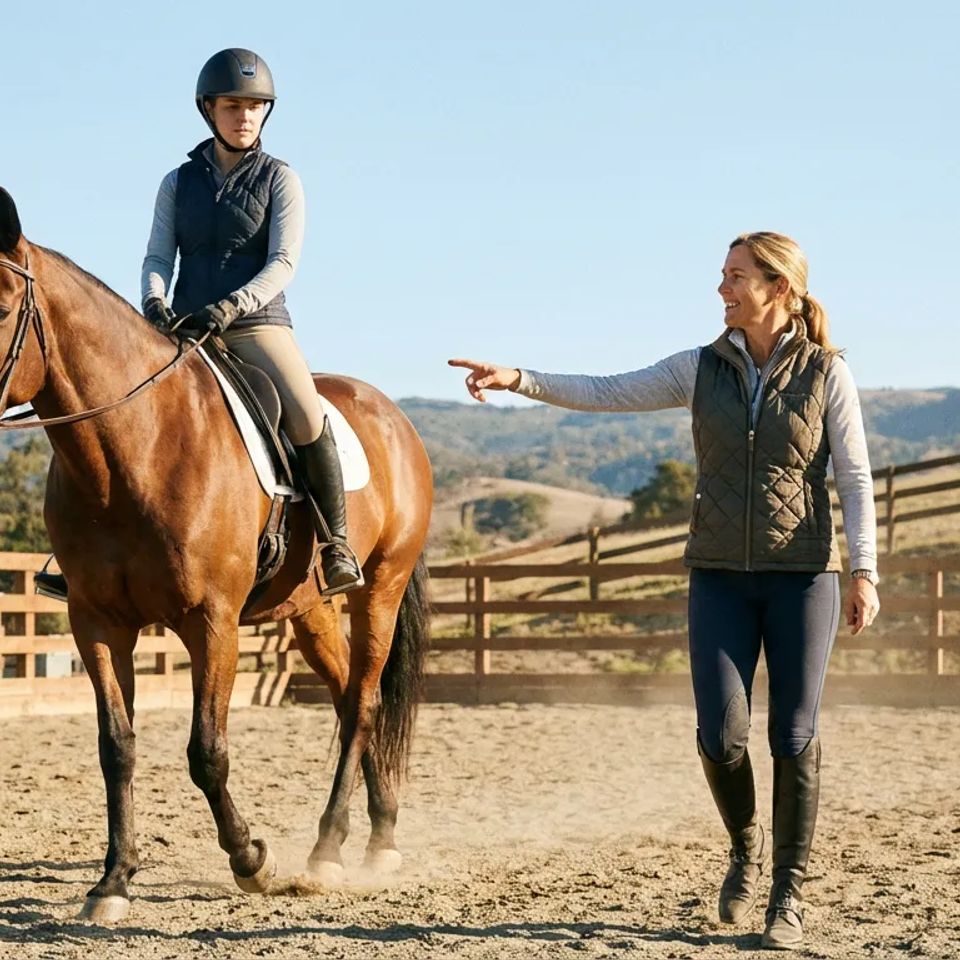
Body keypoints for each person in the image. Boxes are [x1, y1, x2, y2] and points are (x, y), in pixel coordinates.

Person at [449, 231, 880, 950]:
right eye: (723, 276)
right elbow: (608, 392)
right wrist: (519, 377)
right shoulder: (698, 368)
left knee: (793, 734)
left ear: (778, 287)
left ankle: (787, 896)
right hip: (717, 575)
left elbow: (857, 477)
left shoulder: (826, 374)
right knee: (720, 735)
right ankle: (746, 848)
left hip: (804, 575)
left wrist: (863, 568)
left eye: (736, 277)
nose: (722, 289)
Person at [140, 48, 361, 595]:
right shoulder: (177, 182)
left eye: (256, 106)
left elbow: (282, 263)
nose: (245, 116)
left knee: (307, 413)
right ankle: (89, 551)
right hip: (187, 328)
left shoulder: (280, 179)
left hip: (257, 324)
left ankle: (337, 544)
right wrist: (153, 301)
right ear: (208, 110)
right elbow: (157, 257)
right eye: (233, 105)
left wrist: (232, 306)